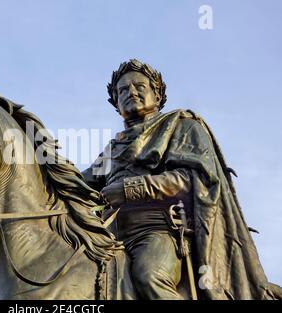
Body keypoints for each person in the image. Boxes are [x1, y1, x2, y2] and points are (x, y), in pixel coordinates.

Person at [82, 59, 282, 299]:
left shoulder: (181, 125)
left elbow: (192, 178)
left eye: (139, 86)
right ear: (116, 103)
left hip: (158, 230)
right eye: (122, 90)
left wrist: (129, 189)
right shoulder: (112, 150)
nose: (130, 92)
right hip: (110, 234)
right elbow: (78, 184)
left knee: (150, 277)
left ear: (157, 95)